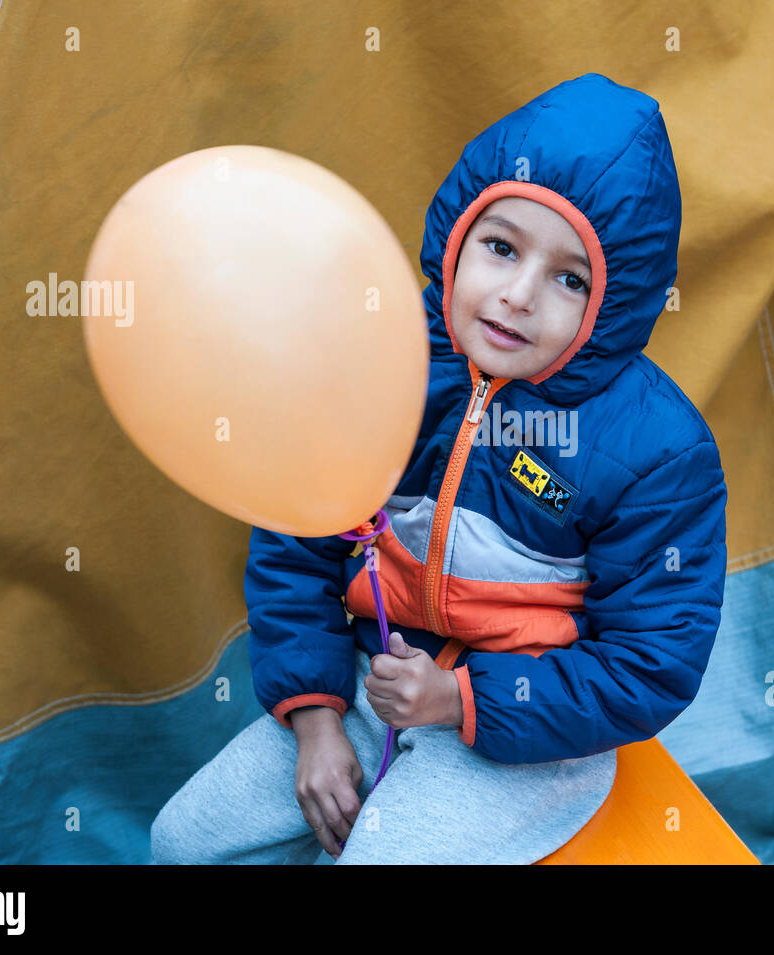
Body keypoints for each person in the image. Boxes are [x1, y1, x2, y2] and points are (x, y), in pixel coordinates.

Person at [150, 72, 728, 865]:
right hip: (364, 683)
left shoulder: (661, 451)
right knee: (182, 840)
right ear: (457, 235)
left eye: (570, 278)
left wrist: (457, 698)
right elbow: (297, 542)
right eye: (500, 247)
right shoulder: (382, 359)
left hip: (525, 736)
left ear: (616, 304)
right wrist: (317, 717)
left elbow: (651, 663)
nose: (517, 295)